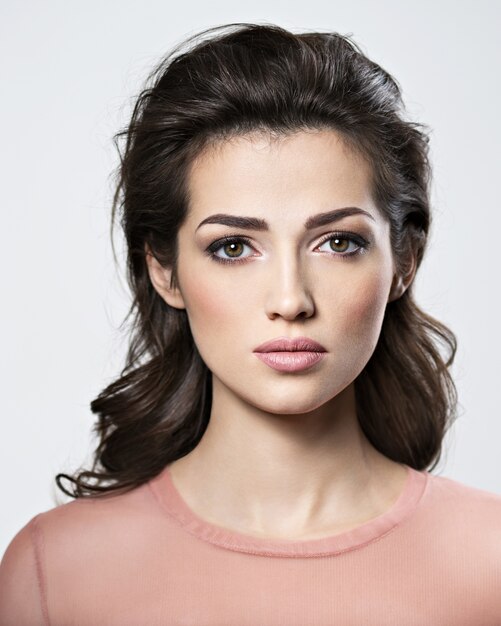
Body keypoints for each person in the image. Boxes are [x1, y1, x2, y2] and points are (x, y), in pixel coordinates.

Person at [1, 22, 500, 626]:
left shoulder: (489, 562)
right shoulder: (55, 572)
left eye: (337, 242)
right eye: (234, 247)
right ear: (165, 270)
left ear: (403, 261)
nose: (290, 299)